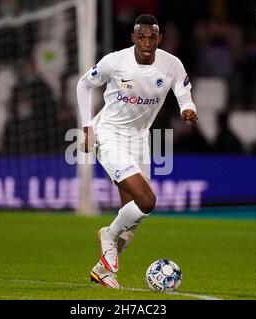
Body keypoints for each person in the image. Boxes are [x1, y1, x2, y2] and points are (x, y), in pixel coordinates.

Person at [77, 14, 198, 289]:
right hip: (108, 135)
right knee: (146, 201)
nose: (146, 43)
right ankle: (107, 235)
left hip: (139, 139)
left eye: (151, 37)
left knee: (131, 218)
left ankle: (102, 272)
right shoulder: (115, 61)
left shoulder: (171, 65)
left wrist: (188, 111)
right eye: (141, 37)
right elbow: (83, 85)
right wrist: (87, 127)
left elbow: (184, 96)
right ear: (133, 38)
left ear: (159, 39)